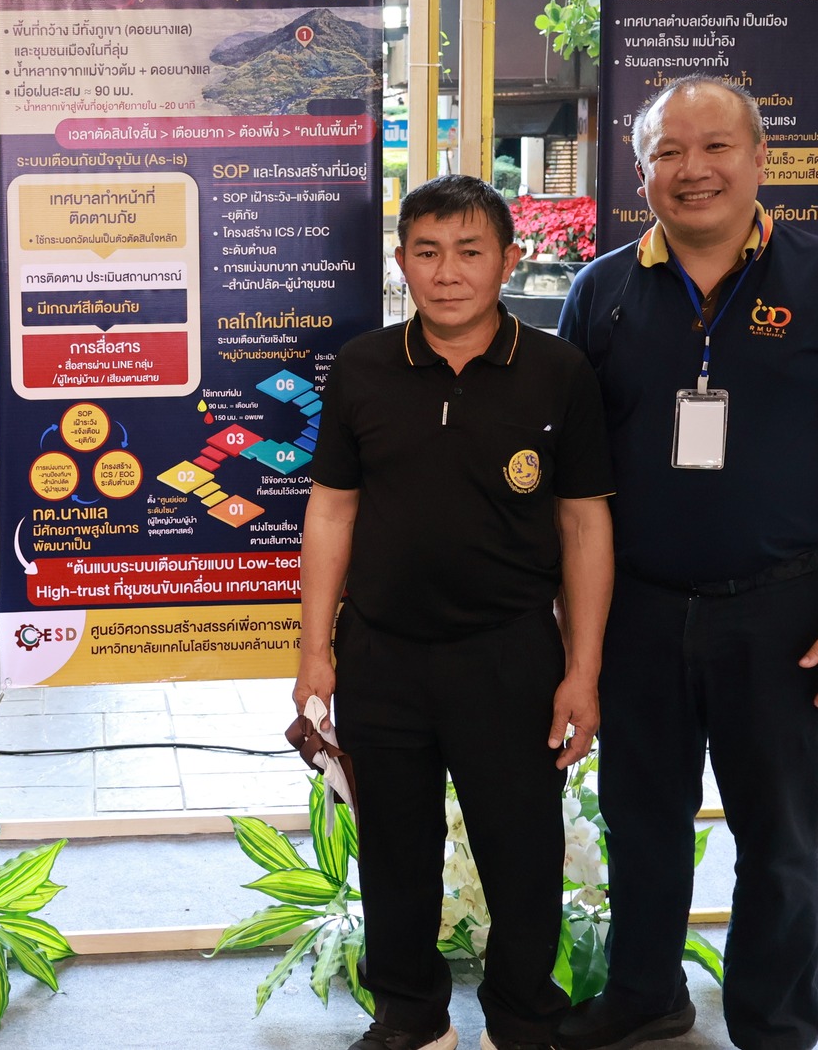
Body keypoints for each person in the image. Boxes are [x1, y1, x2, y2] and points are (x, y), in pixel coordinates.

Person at [555, 77, 818, 1050]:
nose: (693, 169)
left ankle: (774, 1021)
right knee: (640, 822)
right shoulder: (599, 292)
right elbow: (573, 484)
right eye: (667, 152)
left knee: (781, 839)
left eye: (715, 146)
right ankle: (644, 993)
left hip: (780, 611)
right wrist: (573, 629)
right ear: (640, 173)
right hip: (636, 609)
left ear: (759, 159)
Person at [293, 174, 616, 1050]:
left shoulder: (559, 372)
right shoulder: (363, 366)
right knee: (395, 850)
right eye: (428, 252)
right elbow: (331, 511)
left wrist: (582, 670)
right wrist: (315, 649)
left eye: (470, 251)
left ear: (508, 260)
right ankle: (410, 1015)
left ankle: (521, 1015)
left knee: (524, 851)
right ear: (401, 262)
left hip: (511, 656)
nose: (448, 272)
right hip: (382, 654)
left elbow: (584, 525)